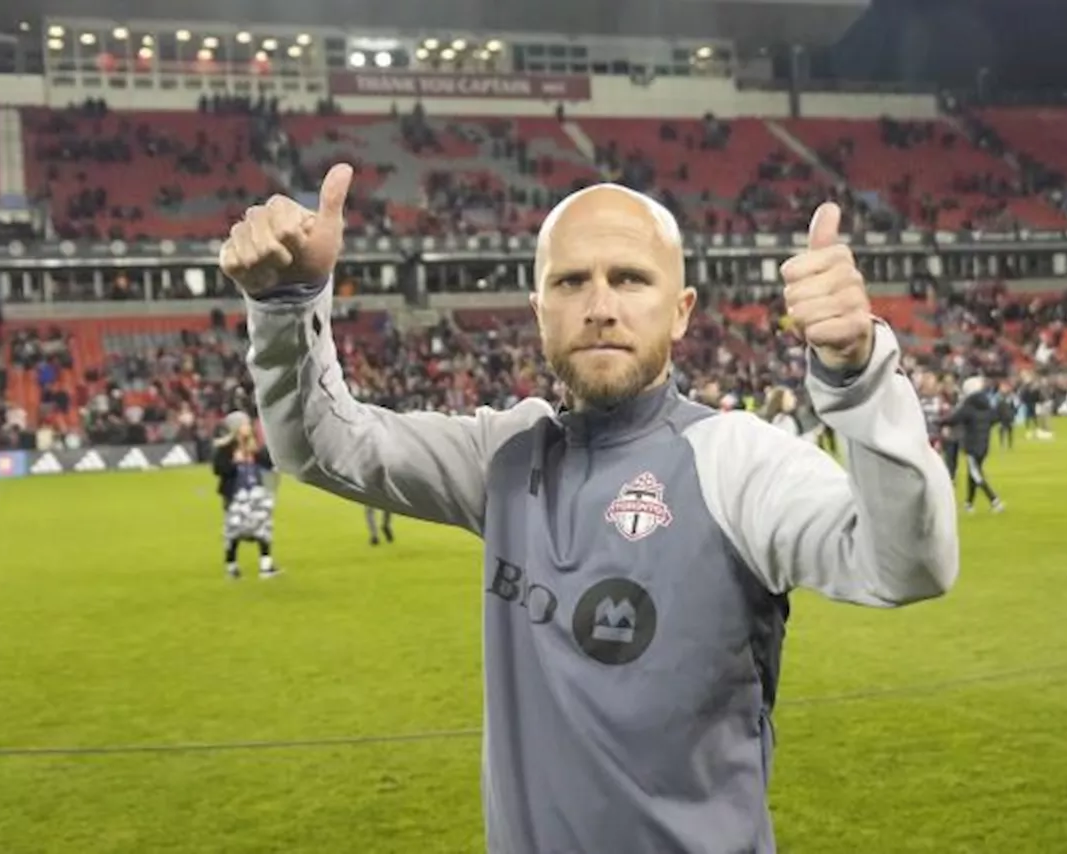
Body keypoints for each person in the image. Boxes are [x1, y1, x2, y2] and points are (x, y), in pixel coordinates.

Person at [220, 165, 959, 854]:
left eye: (630, 278)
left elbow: (907, 565)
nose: (601, 307)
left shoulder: (737, 459)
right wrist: (286, 307)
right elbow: (321, 446)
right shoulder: (503, 455)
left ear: (681, 311)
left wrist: (857, 375)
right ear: (540, 310)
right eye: (572, 282)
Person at [212, 411, 281, 579]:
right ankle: (232, 566)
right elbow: (218, 470)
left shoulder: (254, 447)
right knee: (233, 532)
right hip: (235, 496)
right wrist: (234, 462)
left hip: (257, 495)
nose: (248, 427)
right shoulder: (225, 449)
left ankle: (266, 566)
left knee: (263, 529)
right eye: (244, 424)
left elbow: (269, 465)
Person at [944, 376, 1005, 513]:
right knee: (972, 473)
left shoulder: (968, 406)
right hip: (984, 444)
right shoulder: (986, 404)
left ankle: (994, 500)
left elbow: (954, 419)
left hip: (972, 444)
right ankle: (969, 503)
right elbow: (994, 419)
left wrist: (937, 421)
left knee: (976, 473)